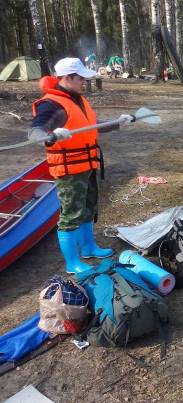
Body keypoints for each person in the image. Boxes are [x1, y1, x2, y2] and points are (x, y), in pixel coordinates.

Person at [29, 57, 134, 274]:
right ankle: (73, 263)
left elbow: (89, 127)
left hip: (87, 165)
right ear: (67, 77)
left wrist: (117, 122)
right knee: (71, 215)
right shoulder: (52, 104)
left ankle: (89, 248)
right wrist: (52, 136)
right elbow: (34, 133)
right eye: (81, 78)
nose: (85, 82)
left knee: (88, 209)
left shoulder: (76, 98)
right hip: (69, 171)